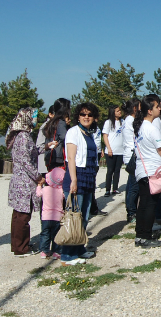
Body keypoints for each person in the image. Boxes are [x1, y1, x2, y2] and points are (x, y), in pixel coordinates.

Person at [7, 107, 50, 256]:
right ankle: (21, 248)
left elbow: (30, 152)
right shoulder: (24, 137)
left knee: (18, 215)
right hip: (24, 183)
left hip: (20, 181)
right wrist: (38, 177)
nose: (35, 120)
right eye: (34, 117)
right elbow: (26, 161)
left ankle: (18, 244)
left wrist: (46, 147)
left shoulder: (21, 135)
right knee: (23, 216)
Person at [61, 102, 100, 265]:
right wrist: (74, 179)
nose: (86, 117)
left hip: (88, 178)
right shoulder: (73, 132)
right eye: (83, 114)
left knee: (84, 217)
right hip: (76, 177)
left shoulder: (89, 133)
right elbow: (71, 157)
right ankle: (67, 255)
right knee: (73, 218)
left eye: (89, 115)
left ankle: (79, 249)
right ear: (78, 116)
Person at [133, 96, 161, 248]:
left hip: (142, 170)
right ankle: (146, 237)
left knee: (143, 204)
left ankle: (140, 235)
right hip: (152, 171)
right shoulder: (151, 129)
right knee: (150, 205)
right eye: (156, 107)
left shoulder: (140, 127)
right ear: (149, 111)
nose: (159, 109)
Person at [35, 167, 64, 260]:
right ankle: (56, 252)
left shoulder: (45, 189)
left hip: (46, 217)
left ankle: (44, 251)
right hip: (57, 217)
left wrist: (39, 185)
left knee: (45, 234)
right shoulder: (61, 191)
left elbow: (38, 194)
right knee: (56, 234)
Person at [123, 98, 140, 223]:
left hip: (128, 153)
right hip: (132, 154)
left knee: (130, 184)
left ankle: (130, 209)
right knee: (134, 186)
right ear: (135, 108)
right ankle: (132, 212)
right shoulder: (131, 120)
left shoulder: (127, 119)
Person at [102, 105, 124, 197]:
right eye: (117, 111)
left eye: (120, 110)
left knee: (117, 170)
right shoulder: (108, 122)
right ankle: (107, 189)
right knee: (110, 170)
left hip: (120, 150)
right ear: (113, 112)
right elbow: (105, 136)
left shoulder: (123, 122)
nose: (119, 112)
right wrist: (109, 148)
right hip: (111, 150)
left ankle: (115, 188)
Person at [44, 98, 72, 170]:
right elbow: (65, 137)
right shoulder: (61, 122)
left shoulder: (52, 122)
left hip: (50, 156)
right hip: (59, 156)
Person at [36, 105, 55, 177]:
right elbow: (38, 146)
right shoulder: (45, 127)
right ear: (50, 114)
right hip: (45, 165)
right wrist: (49, 146)